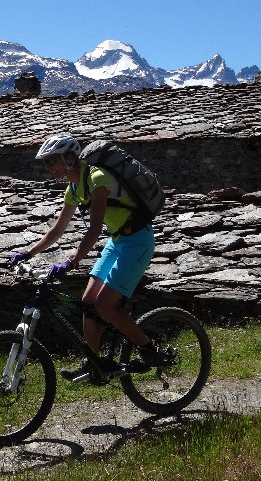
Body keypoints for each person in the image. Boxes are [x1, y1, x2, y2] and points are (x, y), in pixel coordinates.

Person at [11, 133, 162, 382]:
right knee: (88, 301)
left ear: (70, 158)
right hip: (117, 242)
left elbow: (94, 229)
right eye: (46, 163)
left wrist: (72, 261)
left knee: (104, 304)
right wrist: (28, 252)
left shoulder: (97, 178)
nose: (48, 168)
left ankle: (149, 351)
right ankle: (94, 362)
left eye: (52, 161)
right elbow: (57, 229)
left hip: (137, 242)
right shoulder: (73, 187)